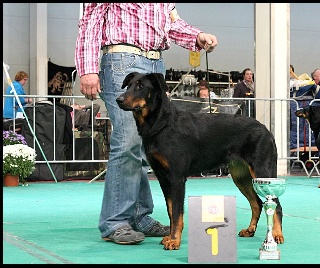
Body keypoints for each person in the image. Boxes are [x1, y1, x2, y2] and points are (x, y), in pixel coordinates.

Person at [74, 3, 218, 245]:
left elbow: (172, 24)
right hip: (122, 60)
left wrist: (197, 36)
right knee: (128, 142)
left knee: (146, 148)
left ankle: (140, 216)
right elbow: (90, 22)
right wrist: (88, 69)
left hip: (155, 64)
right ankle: (115, 222)